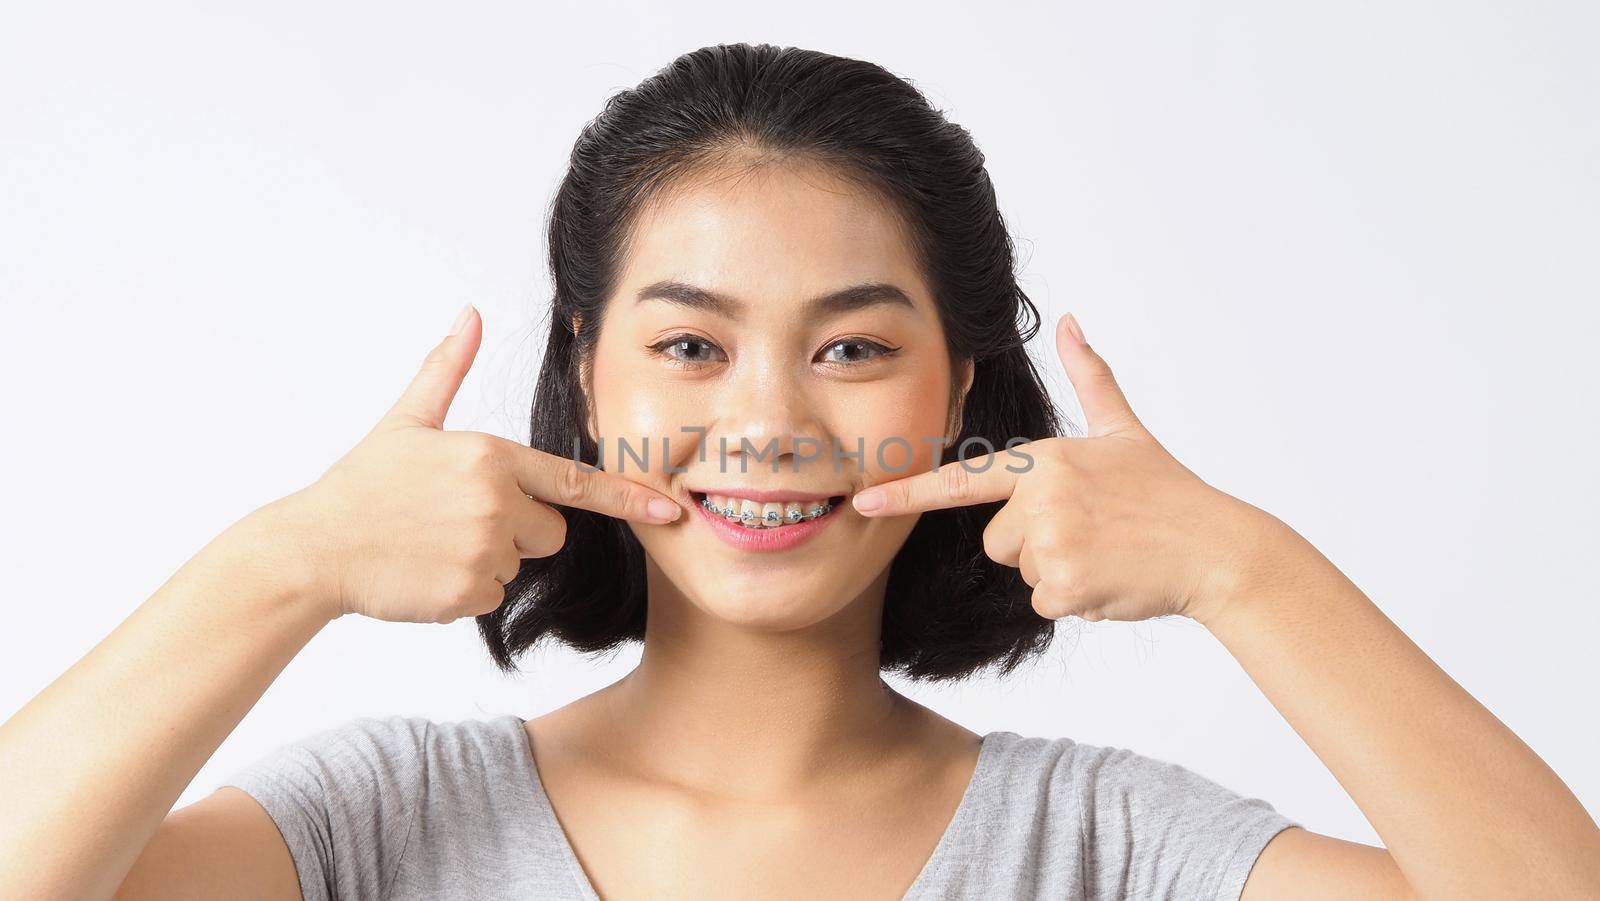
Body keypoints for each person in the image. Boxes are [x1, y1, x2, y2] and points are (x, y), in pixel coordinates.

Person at [2, 42, 1596, 901]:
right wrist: (277, 563)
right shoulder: (382, 823)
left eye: (850, 348)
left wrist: (1252, 568)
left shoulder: (1106, 852)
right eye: (690, 346)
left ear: (960, 382)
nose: (766, 421)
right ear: (583, 369)